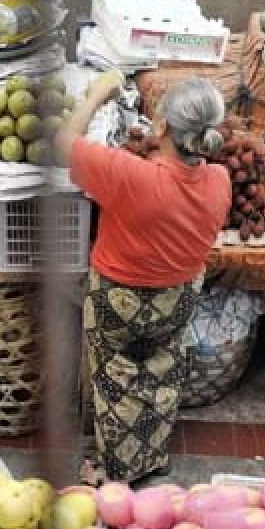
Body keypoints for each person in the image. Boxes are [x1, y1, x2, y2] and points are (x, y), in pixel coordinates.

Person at [55, 75, 232, 486]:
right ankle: (154, 455)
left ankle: (115, 469)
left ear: (165, 127)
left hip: (120, 297)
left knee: (116, 378)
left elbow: (63, 143)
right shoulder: (219, 181)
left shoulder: (131, 176)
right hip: (180, 294)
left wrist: (98, 92)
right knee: (162, 370)